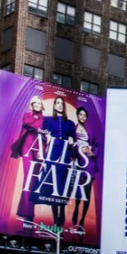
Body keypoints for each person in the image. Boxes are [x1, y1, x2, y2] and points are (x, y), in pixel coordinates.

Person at [11, 95, 46, 225]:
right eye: (34, 103)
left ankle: (25, 212)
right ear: (32, 105)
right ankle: (28, 214)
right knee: (28, 178)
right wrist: (37, 127)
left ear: (41, 105)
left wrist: (42, 150)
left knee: (34, 180)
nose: (36, 105)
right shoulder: (27, 115)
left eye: (38, 103)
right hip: (27, 146)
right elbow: (27, 124)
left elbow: (45, 134)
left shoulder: (45, 119)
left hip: (39, 149)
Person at [43, 96, 76, 229]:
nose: (59, 105)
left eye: (61, 103)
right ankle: (55, 217)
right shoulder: (49, 120)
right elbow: (44, 134)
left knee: (63, 183)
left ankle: (62, 211)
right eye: (57, 103)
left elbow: (72, 140)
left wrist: (72, 152)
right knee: (53, 183)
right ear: (55, 106)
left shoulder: (70, 123)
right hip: (53, 150)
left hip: (65, 150)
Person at [70, 106, 98, 232]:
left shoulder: (90, 132)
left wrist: (92, 152)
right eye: (80, 114)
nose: (82, 117)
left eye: (84, 115)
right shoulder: (73, 129)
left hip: (89, 162)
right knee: (79, 188)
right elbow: (70, 144)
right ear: (77, 115)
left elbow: (97, 145)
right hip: (78, 161)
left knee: (87, 192)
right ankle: (76, 208)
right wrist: (76, 148)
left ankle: (82, 220)